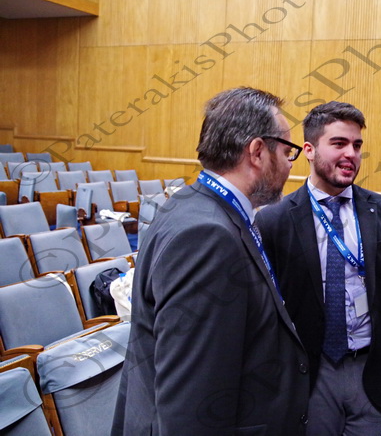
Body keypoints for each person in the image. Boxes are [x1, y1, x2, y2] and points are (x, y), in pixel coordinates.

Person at [112, 87, 310, 435]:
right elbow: (192, 404)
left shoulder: (193, 204)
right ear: (257, 152)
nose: (291, 164)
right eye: (287, 151)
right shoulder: (207, 236)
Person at [255, 101, 381, 435]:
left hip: (372, 368)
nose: (351, 154)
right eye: (339, 143)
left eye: (357, 145)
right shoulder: (275, 220)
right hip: (310, 373)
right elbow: (266, 309)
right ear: (308, 150)